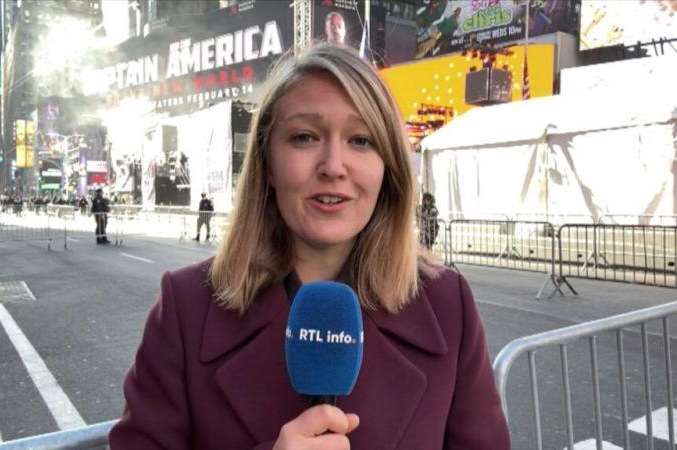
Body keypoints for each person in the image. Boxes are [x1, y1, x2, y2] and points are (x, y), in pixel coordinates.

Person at [109, 44, 509, 449]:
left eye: (361, 140)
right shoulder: (186, 308)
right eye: (304, 137)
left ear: (388, 167)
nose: (334, 166)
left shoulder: (446, 305)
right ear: (266, 162)